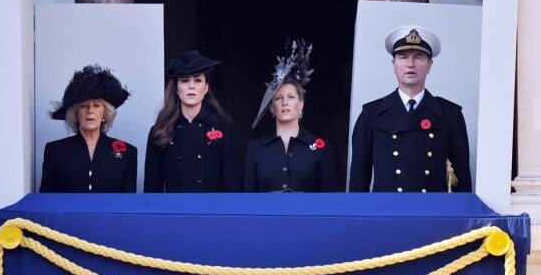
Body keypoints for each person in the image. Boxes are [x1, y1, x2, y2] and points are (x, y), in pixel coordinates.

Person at [349, 25, 472, 193]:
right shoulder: (371, 114)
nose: (410, 64)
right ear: (394, 65)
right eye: (403, 57)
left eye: (418, 57)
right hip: (387, 213)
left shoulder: (450, 115)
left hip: (433, 213)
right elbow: (358, 179)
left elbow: (462, 179)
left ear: (430, 65)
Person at [244, 40, 337, 192]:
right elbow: (248, 198)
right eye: (278, 98)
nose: (285, 102)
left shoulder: (321, 148)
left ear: (301, 104)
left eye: (291, 97)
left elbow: (328, 200)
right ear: (272, 108)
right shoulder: (255, 149)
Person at [144, 51, 241, 192]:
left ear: (206, 87)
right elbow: (152, 189)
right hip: (173, 211)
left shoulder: (223, 128)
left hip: (211, 211)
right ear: (177, 88)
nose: (191, 86)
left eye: (197, 80)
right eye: (184, 80)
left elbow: (233, 184)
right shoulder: (160, 131)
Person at [40, 65, 137, 192]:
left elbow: (128, 204)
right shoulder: (55, 151)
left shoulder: (127, 152)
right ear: (75, 114)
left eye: (96, 106)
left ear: (105, 113)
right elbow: (46, 201)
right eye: (84, 106)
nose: (90, 111)